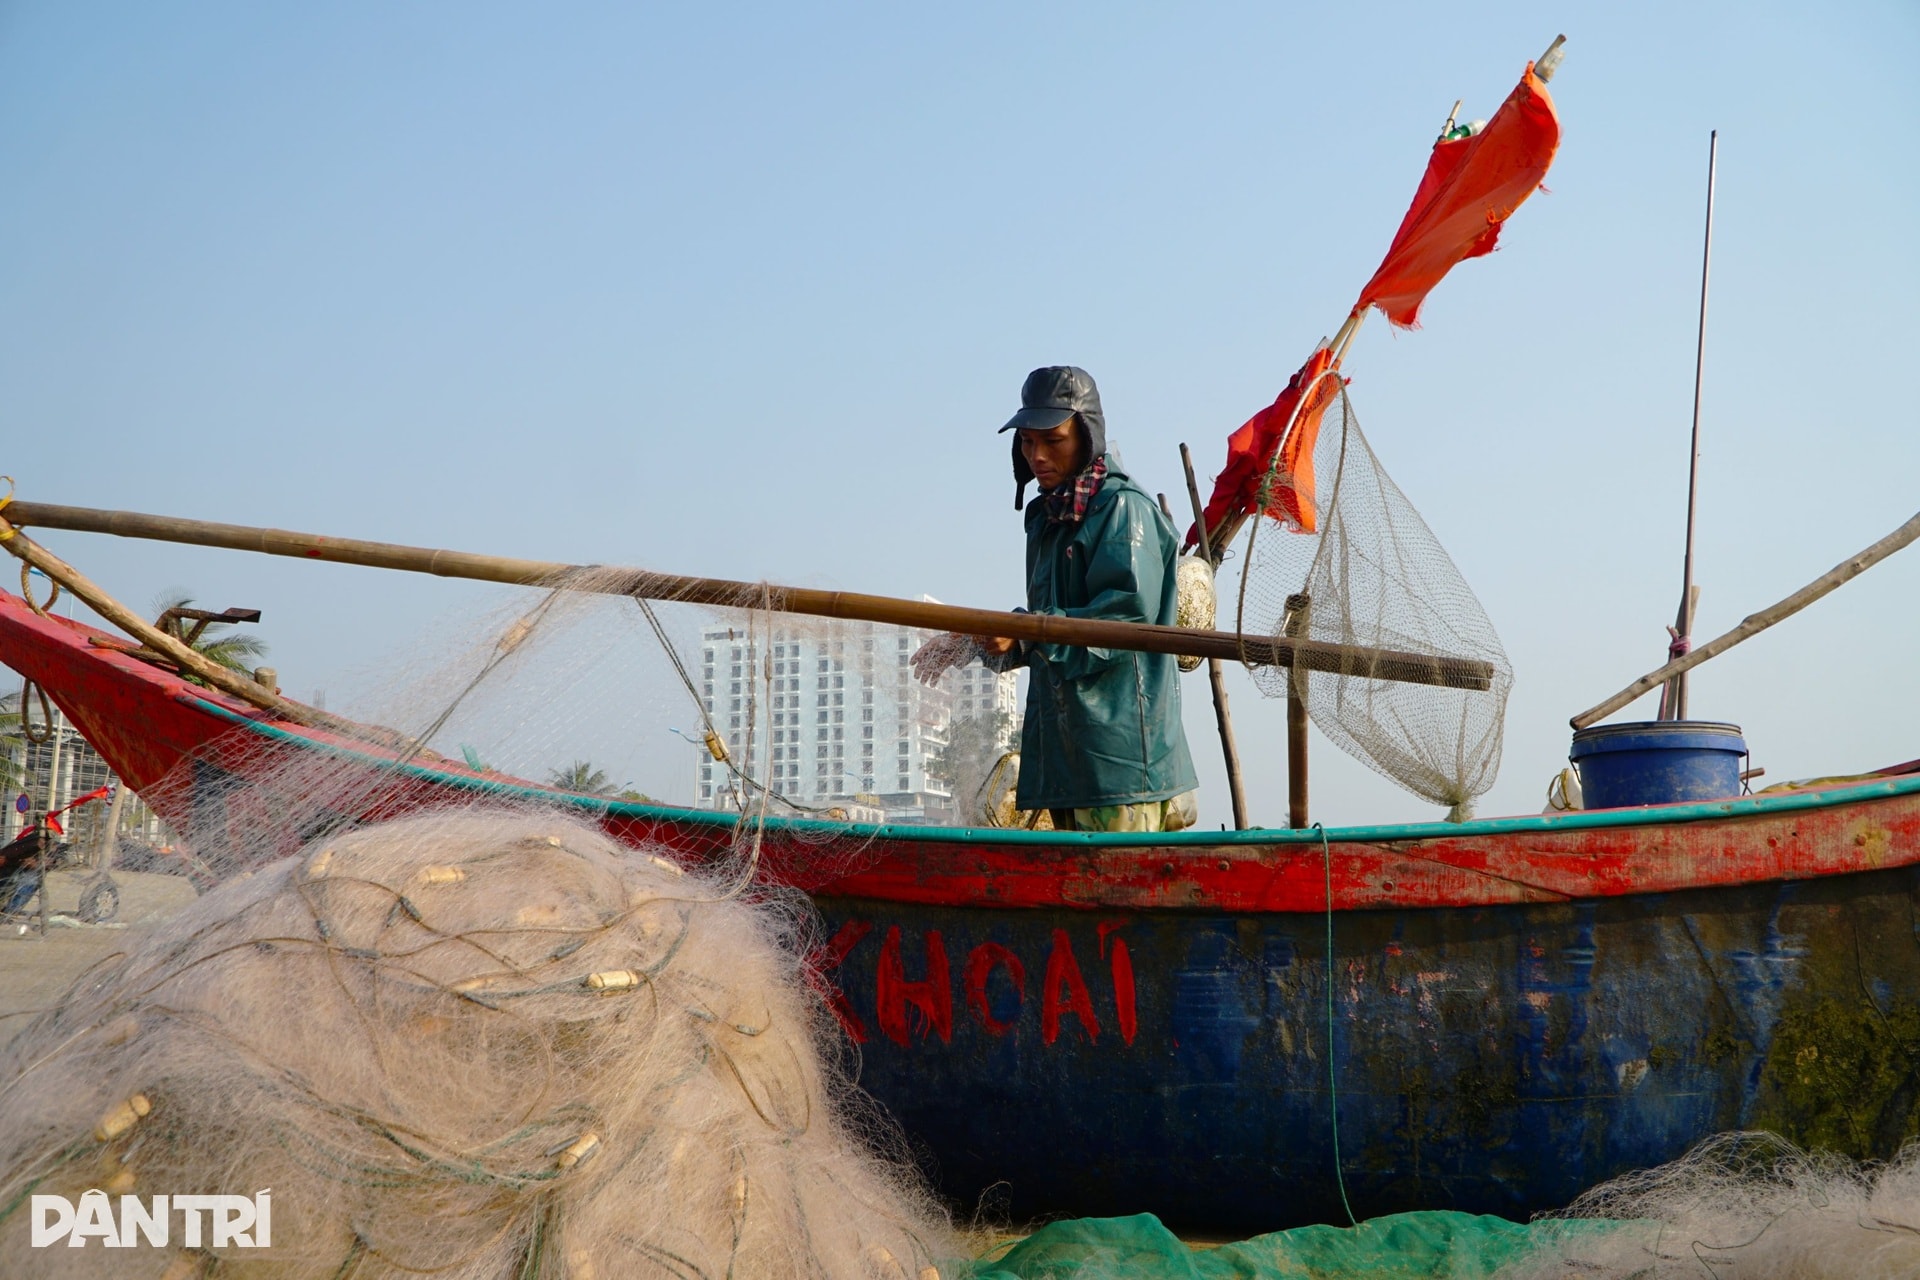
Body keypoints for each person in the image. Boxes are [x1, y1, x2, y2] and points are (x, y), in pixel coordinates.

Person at [913, 366, 1198, 832]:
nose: (1037, 456)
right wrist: (980, 639)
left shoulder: (1123, 511)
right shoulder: (1048, 517)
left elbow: (1121, 623)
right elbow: (1047, 630)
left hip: (1121, 765)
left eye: (1053, 440)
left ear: (1087, 436)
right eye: (1027, 442)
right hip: (1068, 762)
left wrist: (1023, 633)